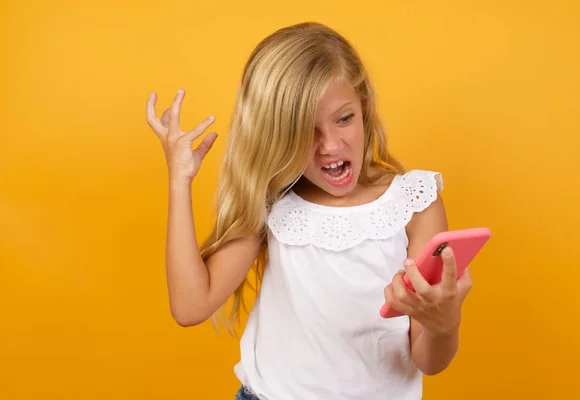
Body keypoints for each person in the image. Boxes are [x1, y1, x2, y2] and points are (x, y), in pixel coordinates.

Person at [146, 21, 473, 400]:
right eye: (304, 130)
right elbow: (190, 306)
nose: (330, 145)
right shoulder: (274, 200)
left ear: (363, 106)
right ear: (276, 135)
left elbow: (430, 360)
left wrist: (443, 321)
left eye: (344, 118)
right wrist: (179, 180)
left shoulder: (414, 202)